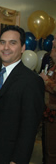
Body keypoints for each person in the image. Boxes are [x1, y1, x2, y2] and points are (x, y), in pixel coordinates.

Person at [0, 25, 45, 163]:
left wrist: (18, 160)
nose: (6, 47)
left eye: (13, 43)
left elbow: (29, 127)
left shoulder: (32, 81)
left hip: (10, 156)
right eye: (2, 42)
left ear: (22, 48)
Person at [39, 34, 56, 164]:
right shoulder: (53, 67)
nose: (50, 53)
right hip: (47, 114)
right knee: (46, 148)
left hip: (54, 114)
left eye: (54, 49)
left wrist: (46, 81)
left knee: (51, 152)